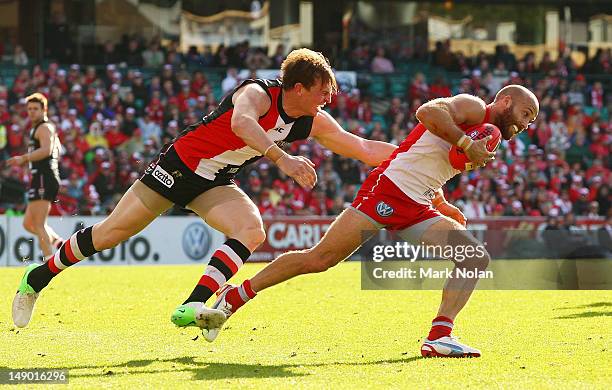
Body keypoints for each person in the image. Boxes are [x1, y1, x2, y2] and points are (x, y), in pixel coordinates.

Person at [11, 49, 397, 331]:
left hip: (214, 181)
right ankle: (37, 277)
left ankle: (193, 306)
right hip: (178, 167)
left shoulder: (312, 119)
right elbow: (242, 123)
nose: (328, 100)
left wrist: (413, 155)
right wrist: (283, 160)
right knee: (111, 234)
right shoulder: (258, 94)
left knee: (251, 229)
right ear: (297, 88)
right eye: (322, 92)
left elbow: (362, 148)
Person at [201, 85, 539, 357]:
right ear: (505, 100)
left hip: (418, 203)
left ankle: (440, 335)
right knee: (320, 259)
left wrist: (443, 203)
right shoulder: (475, 109)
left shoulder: (488, 132)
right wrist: (465, 141)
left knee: (473, 256)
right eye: (525, 114)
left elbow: (429, 160)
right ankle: (235, 296)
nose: (526, 124)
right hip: (388, 191)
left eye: (532, 120)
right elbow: (427, 113)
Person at [8, 93, 63, 259]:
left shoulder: (44, 127)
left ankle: (49, 262)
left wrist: (24, 158)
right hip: (41, 177)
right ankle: (58, 243)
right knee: (28, 224)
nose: (31, 112)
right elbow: (57, 150)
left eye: (35, 109)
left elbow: (47, 150)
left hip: (43, 178)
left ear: (44, 109)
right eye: (29, 109)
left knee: (38, 224)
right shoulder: (40, 128)